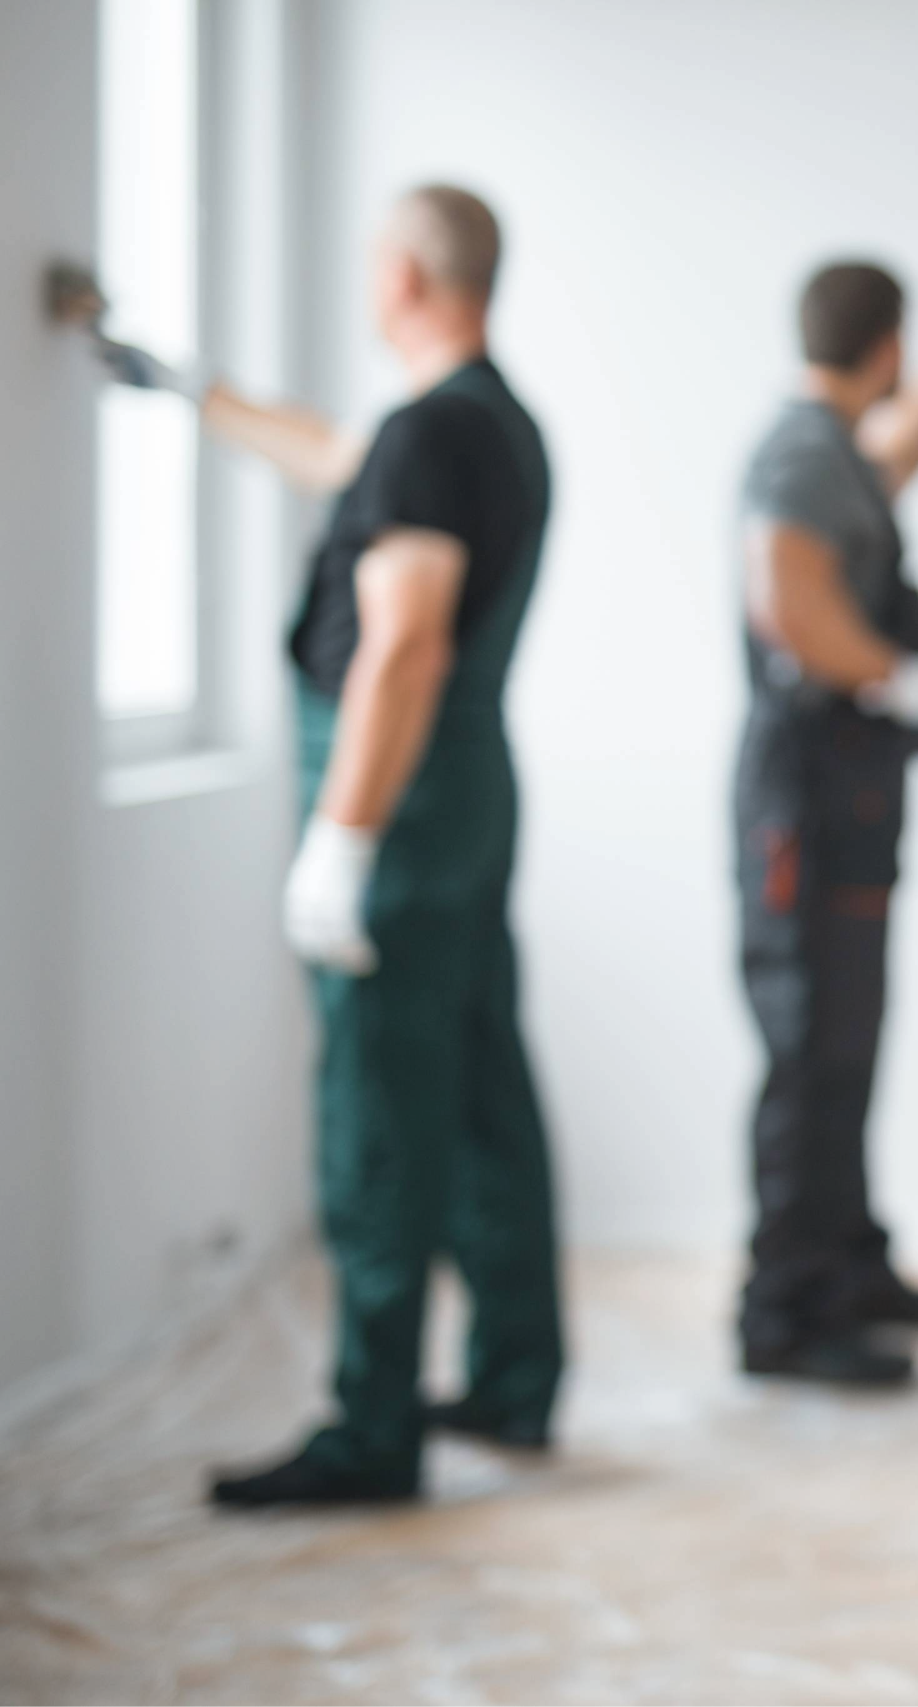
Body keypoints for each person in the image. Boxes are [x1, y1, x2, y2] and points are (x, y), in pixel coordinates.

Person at [103, 186, 564, 1504]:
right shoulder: (491, 421)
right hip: (467, 788)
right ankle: (516, 1377)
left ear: (411, 274)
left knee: (377, 1108)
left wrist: (342, 837)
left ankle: (372, 1429)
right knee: (482, 1087)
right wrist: (190, 389)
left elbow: (405, 641)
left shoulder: (433, 436)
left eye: (377, 257)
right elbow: (333, 456)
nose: (369, 274)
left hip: (402, 799)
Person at [731, 261, 918, 1384]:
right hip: (805, 800)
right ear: (885, 344)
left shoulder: (839, 456)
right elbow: (782, 596)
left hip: (848, 794)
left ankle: (849, 1260)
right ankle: (784, 1307)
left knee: (850, 1032)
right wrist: (891, 673)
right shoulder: (799, 456)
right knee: (808, 1042)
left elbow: (893, 463)